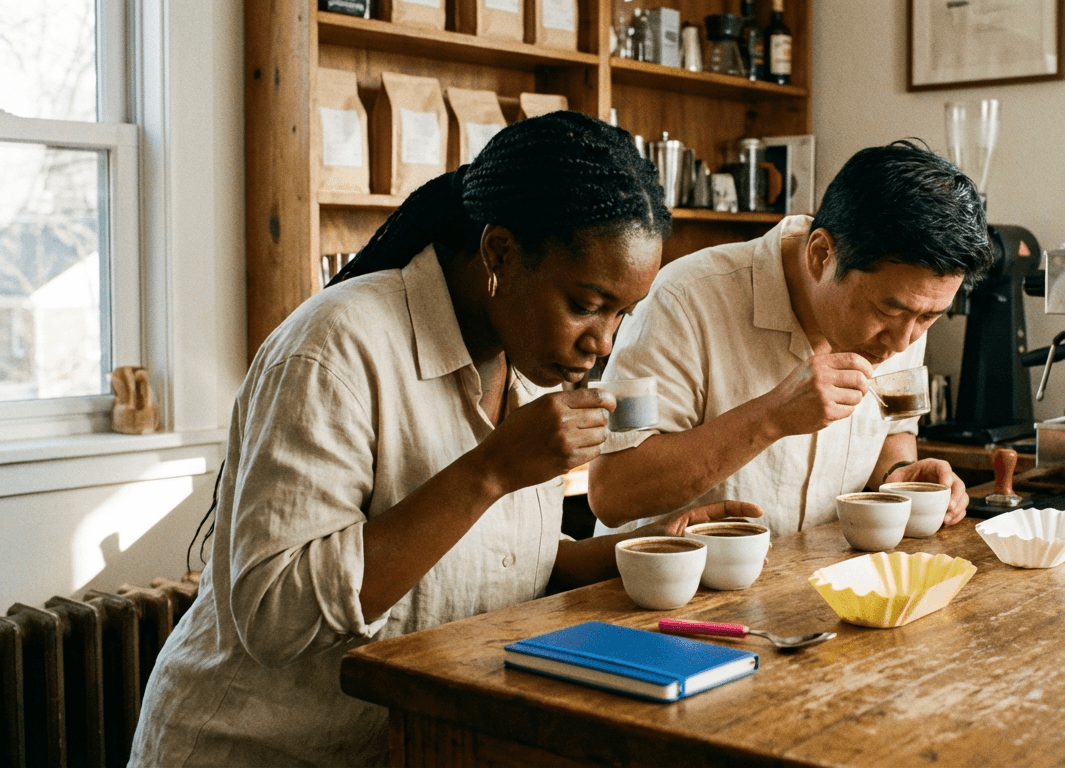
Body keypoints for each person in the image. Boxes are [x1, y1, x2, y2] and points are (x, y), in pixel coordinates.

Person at [130, 112, 760, 767]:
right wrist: (491, 470)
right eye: (586, 304)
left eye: (620, 315)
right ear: (500, 253)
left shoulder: (527, 359)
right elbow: (278, 615)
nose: (603, 343)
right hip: (255, 749)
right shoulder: (336, 349)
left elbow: (506, 565)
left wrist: (650, 546)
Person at [589, 140, 994, 536]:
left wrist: (898, 474)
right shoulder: (681, 299)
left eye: (929, 317)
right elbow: (612, 492)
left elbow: (894, 428)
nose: (904, 342)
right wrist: (772, 416)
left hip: (819, 588)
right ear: (821, 255)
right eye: (888, 311)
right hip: (678, 596)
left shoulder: (906, 315)